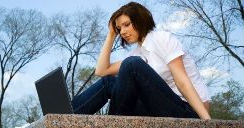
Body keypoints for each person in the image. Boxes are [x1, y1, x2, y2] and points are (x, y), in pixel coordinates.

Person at [71, 2, 211, 119]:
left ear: (140, 20)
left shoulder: (162, 38)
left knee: (131, 64)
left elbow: (182, 82)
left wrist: (207, 121)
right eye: (119, 29)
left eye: (127, 24)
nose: (123, 32)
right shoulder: (137, 54)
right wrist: (111, 34)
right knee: (109, 82)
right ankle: (61, 116)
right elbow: (102, 71)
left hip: (189, 111)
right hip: (160, 110)